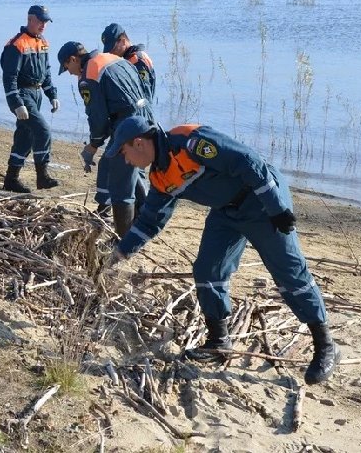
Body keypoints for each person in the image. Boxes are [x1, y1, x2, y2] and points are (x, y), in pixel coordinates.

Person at [103, 116, 340, 385]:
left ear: (138, 143)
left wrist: (276, 209)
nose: (125, 160)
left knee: (289, 273)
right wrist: (119, 254)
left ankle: (325, 346)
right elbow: (150, 221)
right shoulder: (159, 177)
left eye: (123, 152)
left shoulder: (191, 143)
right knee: (207, 269)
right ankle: (219, 341)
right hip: (226, 211)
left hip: (261, 200)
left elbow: (248, 162)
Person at [57, 41, 155, 237]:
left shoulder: (88, 76)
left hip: (128, 123)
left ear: (73, 59)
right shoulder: (113, 58)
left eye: (67, 67)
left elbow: (98, 117)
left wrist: (93, 145)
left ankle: (124, 238)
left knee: (120, 182)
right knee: (128, 168)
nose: (69, 73)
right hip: (146, 115)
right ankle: (140, 220)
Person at [0, 5, 60, 193]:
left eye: (46, 22)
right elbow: (9, 77)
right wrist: (16, 103)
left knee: (24, 138)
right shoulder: (16, 44)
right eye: (40, 21)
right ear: (30, 19)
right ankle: (42, 177)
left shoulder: (43, 42)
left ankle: (11, 180)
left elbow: (46, 73)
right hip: (23, 95)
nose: (43, 25)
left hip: (37, 94)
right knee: (43, 132)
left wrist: (52, 95)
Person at [101, 23, 156, 104]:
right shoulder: (129, 59)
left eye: (113, 48)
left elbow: (145, 95)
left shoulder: (138, 61)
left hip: (140, 113)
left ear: (123, 42)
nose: (111, 54)